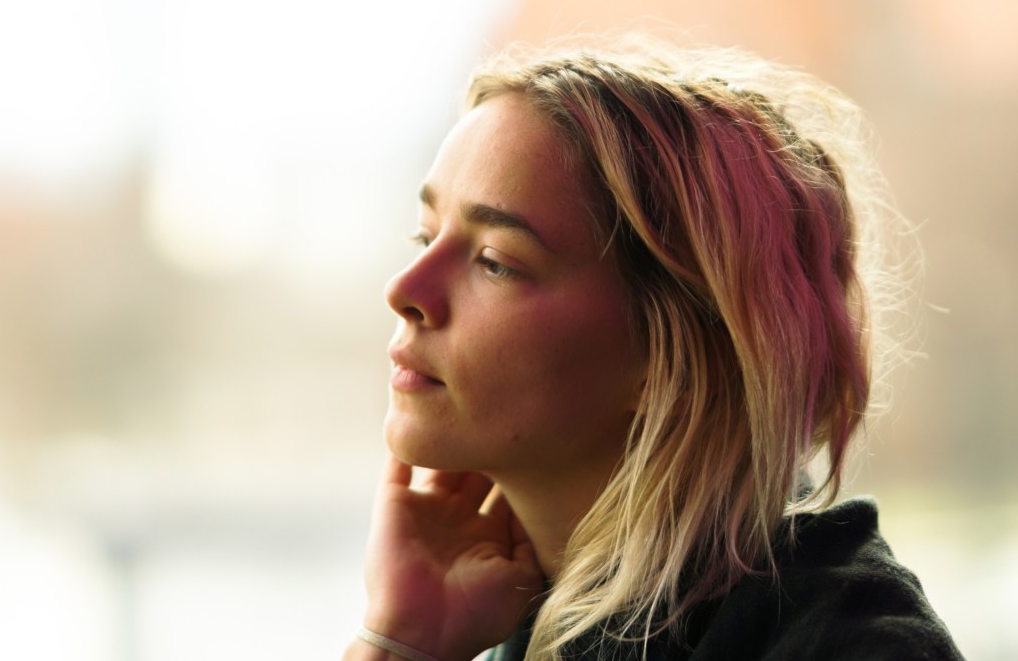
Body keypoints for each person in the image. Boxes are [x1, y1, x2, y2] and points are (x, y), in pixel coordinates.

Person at [343, 35, 964, 661]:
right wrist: (402, 640)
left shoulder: (850, 647)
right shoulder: (534, 608)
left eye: (496, 262)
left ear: (676, 355)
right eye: (424, 237)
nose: (405, 289)